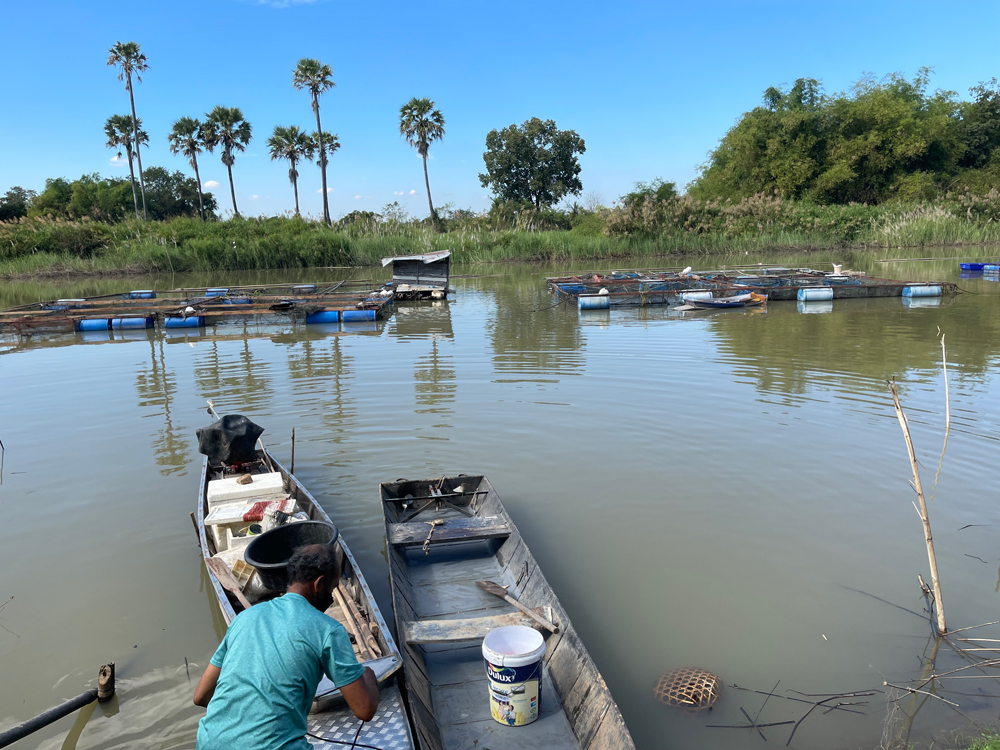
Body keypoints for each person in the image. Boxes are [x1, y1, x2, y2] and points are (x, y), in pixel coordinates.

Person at [194, 543, 380, 749]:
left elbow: (201, 696)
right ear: (319, 584)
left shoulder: (244, 618)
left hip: (208, 743)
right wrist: (369, 678)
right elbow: (364, 709)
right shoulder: (328, 630)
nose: (332, 593)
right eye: (333, 587)